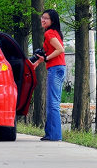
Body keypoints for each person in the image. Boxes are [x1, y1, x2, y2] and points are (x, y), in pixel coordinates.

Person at [33, 8, 66, 141]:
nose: (43, 19)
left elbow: (60, 49)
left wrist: (46, 59)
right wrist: (41, 60)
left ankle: (54, 135)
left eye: (46, 18)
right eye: (42, 17)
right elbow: (53, 52)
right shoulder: (54, 32)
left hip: (56, 69)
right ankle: (51, 134)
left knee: (53, 103)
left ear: (52, 21)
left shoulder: (49, 33)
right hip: (58, 68)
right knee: (52, 102)